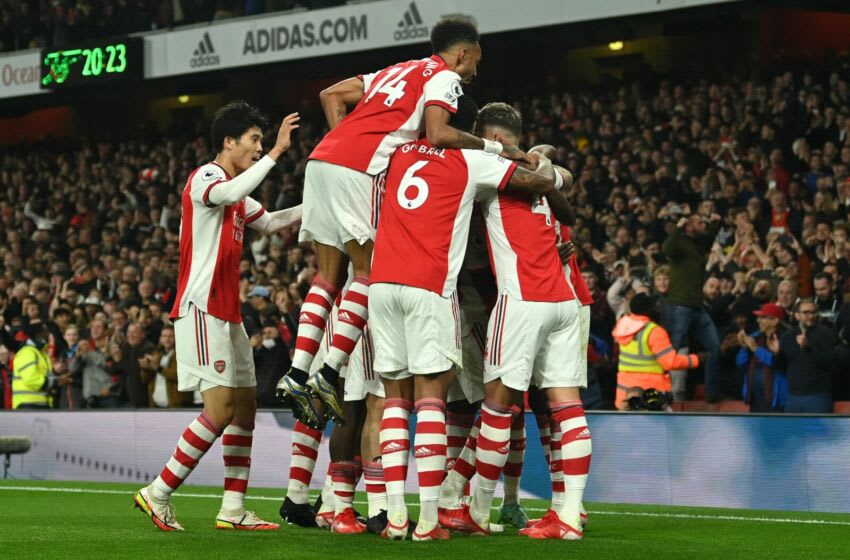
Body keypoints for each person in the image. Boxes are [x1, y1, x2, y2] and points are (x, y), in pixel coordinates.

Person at [277, 16, 530, 428]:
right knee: (368, 272)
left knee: (326, 276)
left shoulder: (396, 69)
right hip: (357, 171)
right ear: (463, 53)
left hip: (322, 160)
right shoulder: (445, 78)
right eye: (476, 62)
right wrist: (493, 148)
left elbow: (330, 95)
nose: (475, 71)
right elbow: (437, 132)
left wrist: (346, 141)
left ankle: (298, 371)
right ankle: (327, 373)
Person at [369, 103, 556, 541]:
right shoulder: (472, 159)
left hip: (381, 282)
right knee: (433, 396)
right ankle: (432, 519)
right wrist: (534, 158)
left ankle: (397, 517)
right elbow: (541, 184)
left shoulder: (398, 151)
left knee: (396, 397)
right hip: (430, 285)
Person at [134, 101, 301, 532]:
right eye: (253, 140)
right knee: (221, 408)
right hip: (201, 308)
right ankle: (158, 492)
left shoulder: (237, 196)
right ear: (228, 142)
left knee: (245, 408)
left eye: (261, 141)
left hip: (228, 314)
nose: (258, 147)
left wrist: (320, 202)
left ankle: (232, 509)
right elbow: (227, 194)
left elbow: (273, 222)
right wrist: (277, 153)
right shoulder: (208, 177)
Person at [437, 104, 585, 540]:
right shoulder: (538, 167)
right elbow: (565, 189)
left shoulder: (484, 168)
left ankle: (476, 510)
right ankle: (568, 517)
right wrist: (544, 163)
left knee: (497, 408)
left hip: (519, 301)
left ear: (487, 138)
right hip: (564, 300)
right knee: (568, 411)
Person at [662, 213, 722, 402]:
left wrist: (716, 222)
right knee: (671, 352)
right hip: (680, 305)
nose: (702, 224)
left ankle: (712, 395)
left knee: (715, 348)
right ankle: (663, 391)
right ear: (688, 225)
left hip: (696, 306)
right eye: (698, 222)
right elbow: (667, 248)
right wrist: (677, 227)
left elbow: (710, 236)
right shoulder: (679, 243)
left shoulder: (698, 244)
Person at [612, 294, 705, 410]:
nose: (657, 308)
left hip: (626, 396)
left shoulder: (623, 326)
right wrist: (697, 359)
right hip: (650, 397)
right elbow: (670, 362)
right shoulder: (654, 331)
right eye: (654, 306)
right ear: (648, 309)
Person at [772, 299, 840, 413]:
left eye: (814, 312)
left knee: (817, 431)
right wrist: (777, 354)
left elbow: (832, 364)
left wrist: (808, 347)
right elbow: (781, 367)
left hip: (818, 396)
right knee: (793, 431)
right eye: (806, 312)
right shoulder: (788, 336)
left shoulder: (827, 334)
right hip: (793, 397)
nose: (811, 316)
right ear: (797, 315)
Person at [735, 303, 788, 412]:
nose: (758, 321)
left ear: (775, 321)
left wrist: (756, 349)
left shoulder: (786, 339)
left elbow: (779, 363)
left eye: (763, 317)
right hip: (755, 399)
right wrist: (744, 348)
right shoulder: (756, 336)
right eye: (758, 317)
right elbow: (740, 363)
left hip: (776, 400)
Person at [12, 320, 52, 409]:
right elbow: (31, 379)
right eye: (45, 332)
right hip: (26, 404)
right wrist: (54, 382)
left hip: (42, 403)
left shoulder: (42, 354)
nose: (48, 335)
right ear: (38, 335)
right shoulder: (27, 352)